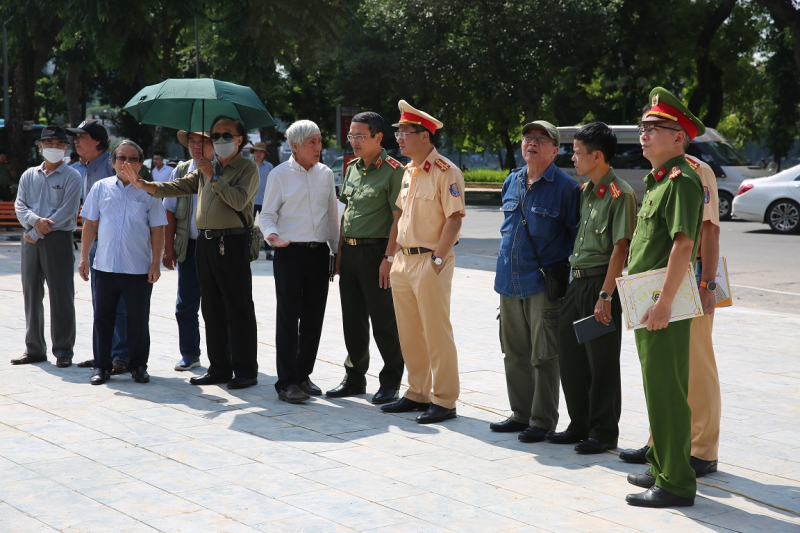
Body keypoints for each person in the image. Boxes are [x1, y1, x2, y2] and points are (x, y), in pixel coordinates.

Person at [620, 106, 722, 479]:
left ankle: (700, 449)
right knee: (664, 377)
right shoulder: (658, 177)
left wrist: (707, 283)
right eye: (642, 126)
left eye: (654, 127)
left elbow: (704, 232)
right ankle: (660, 447)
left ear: (679, 134)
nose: (644, 133)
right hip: (655, 290)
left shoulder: (691, 173)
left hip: (683, 287)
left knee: (692, 370)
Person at [131, 115, 260, 390]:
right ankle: (219, 367)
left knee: (237, 308)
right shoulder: (205, 168)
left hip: (233, 243)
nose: (221, 140)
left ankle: (246, 369)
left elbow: (238, 199)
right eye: (216, 136)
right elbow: (177, 187)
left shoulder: (247, 168)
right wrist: (147, 186)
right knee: (210, 307)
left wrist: (213, 177)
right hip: (205, 243)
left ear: (239, 140)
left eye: (227, 135)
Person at [489, 120, 580, 440]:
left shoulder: (566, 188)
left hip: (542, 284)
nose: (532, 142)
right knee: (513, 352)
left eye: (541, 139)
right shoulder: (512, 181)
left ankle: (541, 420)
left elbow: (574, 238)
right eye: (528, 137)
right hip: (508, 282)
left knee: (544, 354)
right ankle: (520, 413)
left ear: (555, 150)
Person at [549, 122, 636, 453]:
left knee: (601, 362)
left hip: (600, 286)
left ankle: (603, 430)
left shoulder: (620, 194)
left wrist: (606, 295)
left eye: (577, 152)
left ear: (597, 156)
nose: (573, 158)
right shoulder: (586, 191)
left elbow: (620, 248)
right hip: (577, 283)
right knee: (571, 356)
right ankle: (579, 423)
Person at [380, 100, 465, 424]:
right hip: (405, 260)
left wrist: (439, 259)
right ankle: (417, 392)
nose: (399, 138)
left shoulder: (446, 171)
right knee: (410, 332)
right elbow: (400, 217)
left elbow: (454, 219)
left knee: (436, 331)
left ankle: (444, 399)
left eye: (405, 132)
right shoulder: (408, 171)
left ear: (425, 136)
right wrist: (391, 256)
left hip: (432, 260)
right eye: (398, 132)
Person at [326, 111, 405, 405]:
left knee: (384, 319)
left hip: (377, 252)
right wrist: (339, 248)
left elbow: (398, 219)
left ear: (378, 137)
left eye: (360, 136)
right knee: (353, 318)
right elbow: (348, 211)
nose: (354, 142)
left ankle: (391, 381)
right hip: (351, 251)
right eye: (351, 136)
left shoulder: (395, 170)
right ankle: (355, 377)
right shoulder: (352, 168)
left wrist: (388, 258)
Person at [260, 120, 339, 403]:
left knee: (314, 317)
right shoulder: (279, 175)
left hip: (319, 253)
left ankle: (303, 375)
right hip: (289, 252)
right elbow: (266, 215)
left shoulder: (326, 174)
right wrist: (272, 236)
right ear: (295, 146)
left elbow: (332, 216)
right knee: (288, 317)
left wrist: (336, 250)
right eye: (312, 143)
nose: (318, 147)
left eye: (319, 141)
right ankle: (286, 382)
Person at [77, 140, 166, 385]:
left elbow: (158, 229)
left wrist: (155, 264)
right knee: (103, 318)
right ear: (113, 161)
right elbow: (90, 224)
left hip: (137, 267)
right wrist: (84, 257)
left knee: (138, 319)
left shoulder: (150, 191)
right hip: (104, 266)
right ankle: (101, 366)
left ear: (141, 163)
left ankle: (138, 366)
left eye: (133, 158)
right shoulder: (100, 188)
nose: (126, 163)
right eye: (121, 158)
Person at [12, 126, 82, 368]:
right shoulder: (28, 175)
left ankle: (63, 350)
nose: (55, 147)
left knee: (61, 294)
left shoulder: (72, 176)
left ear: (66, 148)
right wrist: (34, 224)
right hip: (31, 239)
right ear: (40, 146)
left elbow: (67, 212)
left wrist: (36, 230)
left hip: (57, 238)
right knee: (31, 292)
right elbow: (20, 206)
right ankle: (34, 348)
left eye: (60, 144)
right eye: (49, 143)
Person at [67, 120, 129, 373]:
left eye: (81, 136)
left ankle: (121, 356)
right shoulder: (87, 168)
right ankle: (103, 354)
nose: (76, 141)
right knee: (100, 302)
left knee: (119, 304)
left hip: (116, 245)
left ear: (97, 140)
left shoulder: (111, 167)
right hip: (96, 245)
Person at [162, 130, 214, 372]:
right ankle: (190, 353)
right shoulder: (181, 170)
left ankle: (225, 355)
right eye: (192, 141)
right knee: (185, 304)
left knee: (219, 304)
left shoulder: (223, 168)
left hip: (217, 245)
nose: (196, 146)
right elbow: (169, 211)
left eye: (202, 141)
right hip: (190, 244)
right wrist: (168, 247)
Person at [251, 142, 274, 260]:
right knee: (248, 226)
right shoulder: (248, 165)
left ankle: (268, 252)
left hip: (265, 200)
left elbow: (274, 184)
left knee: (266, 226)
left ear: (264, 154)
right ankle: (247, 250)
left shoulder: (269, 167)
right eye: (256, 151)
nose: (258, 154)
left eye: (261, 152)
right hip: (250, 201)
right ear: (253, 153)